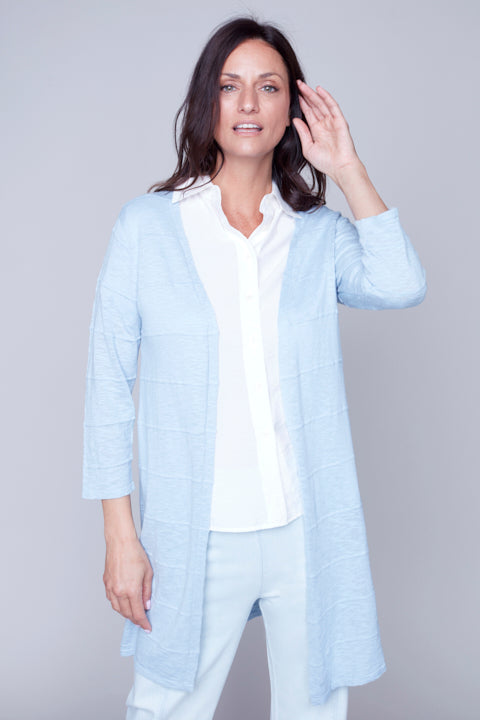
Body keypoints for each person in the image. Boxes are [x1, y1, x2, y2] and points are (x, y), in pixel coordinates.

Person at [82, 15, 427, 720]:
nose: (247, 104)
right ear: (206, 101)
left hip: (306, 529)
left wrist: (348, 168)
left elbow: (400, 283)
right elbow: (108, 389)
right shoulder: (147, 229)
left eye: (269, 87)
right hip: (195, 534)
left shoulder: (317, 236)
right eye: (231, 85)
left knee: (315, 708)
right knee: (165, 706)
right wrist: (122, 537)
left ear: (291, 111)